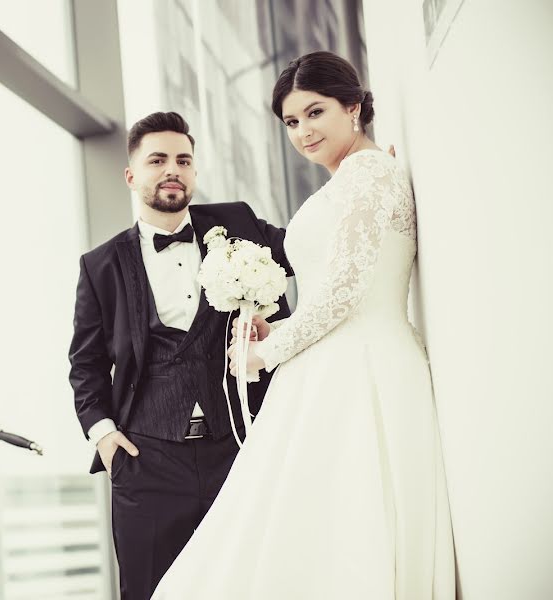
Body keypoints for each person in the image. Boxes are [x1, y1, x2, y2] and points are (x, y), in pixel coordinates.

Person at [152, 51, 455, 598]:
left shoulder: (370, 175)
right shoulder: (355, 178)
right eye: (291, 122)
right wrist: (272, 334)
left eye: (315, 113)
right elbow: (331, 287)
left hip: (361, 369)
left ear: (353, 106)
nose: (302, 132)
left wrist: (267, 353)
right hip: (329, 366)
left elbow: (346, 290)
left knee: (341, 526)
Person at [68, 111, 292, 600]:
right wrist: (105, 438)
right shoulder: (100, 265)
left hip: (238, 445)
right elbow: (85, 364)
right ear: (132, 175)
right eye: (158, 159)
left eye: (183, 159)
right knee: (149, 591)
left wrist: (356, 182)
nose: (173, 168)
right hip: (146, 460)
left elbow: (304, 249)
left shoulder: (237, 223)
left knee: (252, 583)